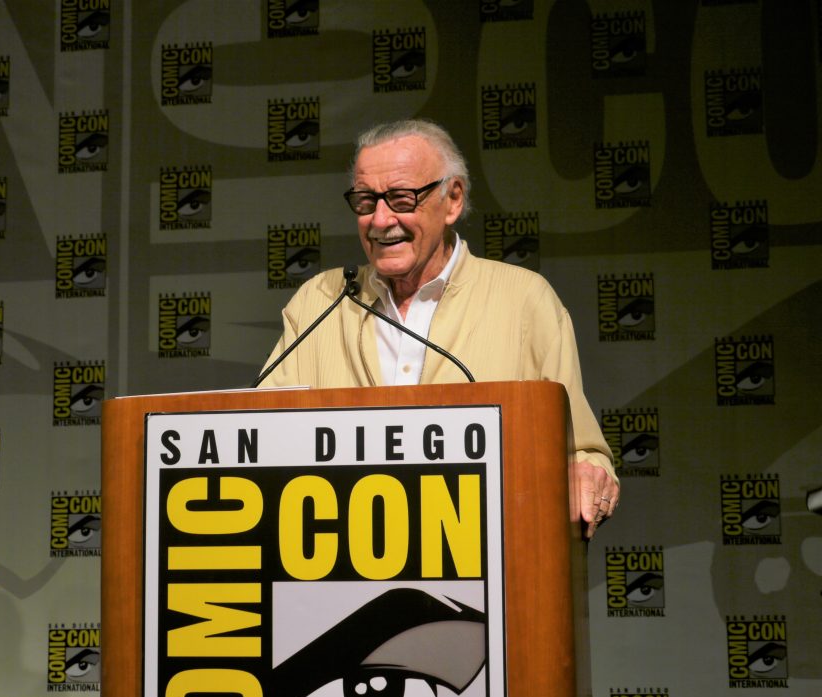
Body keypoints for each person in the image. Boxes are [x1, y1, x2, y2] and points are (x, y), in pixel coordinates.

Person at [258, 118, 619, 535]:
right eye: (365, 200)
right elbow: (261, 437)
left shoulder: (523, 300)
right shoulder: (319, 301)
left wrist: (586, 473)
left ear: (452, 200)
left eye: (401, 198)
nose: (379, 219)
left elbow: (582, 451)